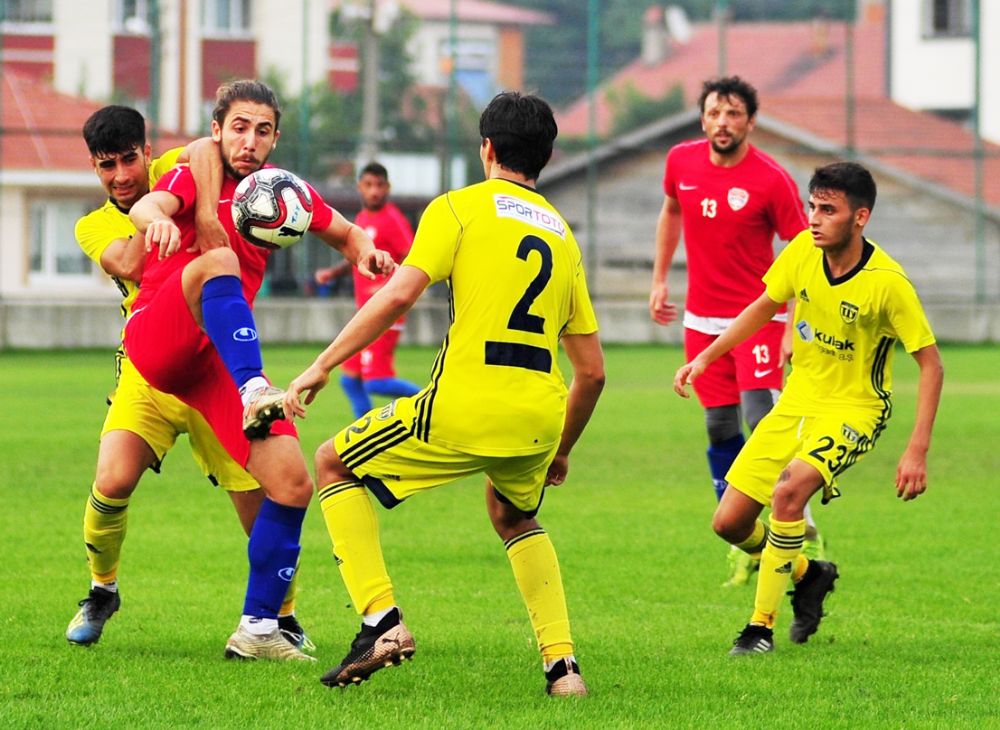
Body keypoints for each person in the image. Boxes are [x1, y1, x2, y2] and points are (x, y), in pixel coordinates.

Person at [284, 91, 605, 696]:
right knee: (513, 513)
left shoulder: (457, 209)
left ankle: (381, 623)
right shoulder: (563, 235)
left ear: (486, 148)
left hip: (461, 405)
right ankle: (563, 669)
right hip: (540, 416)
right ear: (548, 155)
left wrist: (323, 365)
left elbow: (399, 294)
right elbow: (592, 372)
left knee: (330, 462)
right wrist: (560, 449)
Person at [125, 79, 392, 661]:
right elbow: (150, 203)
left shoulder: (281, 190)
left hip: (214, 360)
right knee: (216, 256)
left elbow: (345, 233)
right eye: (239, 126)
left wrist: (366, 254)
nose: (249, 140)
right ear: (218, 128)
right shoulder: (197, 172)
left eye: (263, 130)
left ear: (275, 139)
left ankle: (259, 629)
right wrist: (158, 221)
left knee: (293, 481)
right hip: (161, 333)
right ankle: (254, 388)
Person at [66, 105, 311, 652]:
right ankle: (101, 589)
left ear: (148, 153)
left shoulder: (174, 173)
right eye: (108, 166)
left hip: (213, 365)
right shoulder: (93, 224)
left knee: (263, 500)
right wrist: (159, 220)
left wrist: (194, 207)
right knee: (111, 482)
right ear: (94, 168)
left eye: (131, 159)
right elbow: (130, 265)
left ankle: (282, 616)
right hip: (149, 371)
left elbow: (207, 146)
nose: (122, 176)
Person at [673, 161, 943, 655]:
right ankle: (809, 572)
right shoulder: (801, 251)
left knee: (789, 492)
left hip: (855, 408)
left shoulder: (888, 282)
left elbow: (931, 364)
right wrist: (706, 356)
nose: (814, 219)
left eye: (828, 210)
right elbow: (762, 305)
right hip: (798, 399)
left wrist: (917, 450)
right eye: (812, 207)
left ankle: (759, 628)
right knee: (728, 523)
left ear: (860, 218)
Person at [649, 75, 826, 586]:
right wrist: (660, 279)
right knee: (719, 428)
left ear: (750, 121)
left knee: (760, 417)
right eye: (713, 113)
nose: (721, 123)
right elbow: (671, 211)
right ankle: (745, 537)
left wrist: (794, 323)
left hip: (760, 320)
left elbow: (803, 252)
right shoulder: (680, 162)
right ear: (702, 119)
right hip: (701, 323)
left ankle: (798, 519)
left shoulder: (771, 180)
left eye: (732, 114)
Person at [314, 162, 421, 417]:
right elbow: (359, 254)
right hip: (366, 311)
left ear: (388, 188)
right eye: (369, 185)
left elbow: (413, 257)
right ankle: (364, 440)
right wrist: (333, 272)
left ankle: (432, 404)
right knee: (349, 379)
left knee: (376, 381)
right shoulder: (362, 219)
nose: (374, 191)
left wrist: (390, 286)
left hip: (385, 313)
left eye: (379, 185)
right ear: (359, 187)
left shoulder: (392, 220)